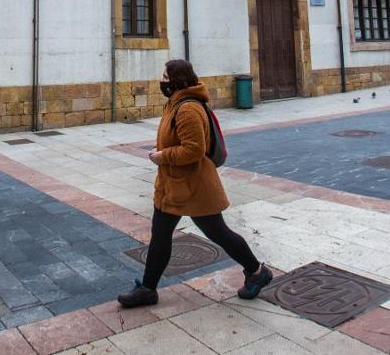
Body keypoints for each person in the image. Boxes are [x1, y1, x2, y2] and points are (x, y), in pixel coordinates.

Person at [117, 59, 273, 307]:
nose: (162, 81)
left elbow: (194, 150)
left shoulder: (188, 108)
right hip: (174, 185)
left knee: (219, 233)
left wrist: (162, 156)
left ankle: (256, 271)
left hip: (195, 186)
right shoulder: (175, 102)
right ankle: (148, 288)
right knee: (160, 235)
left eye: (165, 77)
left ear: (177, 80)